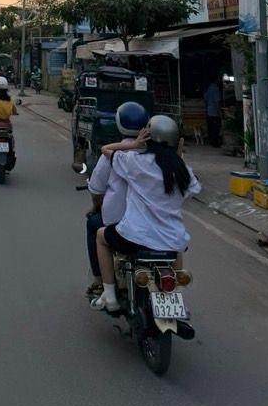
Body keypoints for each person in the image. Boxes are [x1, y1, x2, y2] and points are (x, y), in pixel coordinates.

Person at [91, 115, 201, 312]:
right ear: (178, 142)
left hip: (135, 236)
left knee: (100, 236)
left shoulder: (136, 162)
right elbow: (193, 189)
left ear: (147, 137)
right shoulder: (184, 172)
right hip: (171, 239)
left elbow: (106, 150)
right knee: (175, 249)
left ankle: (109, 295)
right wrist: (178, 156)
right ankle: (175, 297)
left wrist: (134, 144)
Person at [84, 101, 149, 297]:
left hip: (119, 225)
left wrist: (96, 206)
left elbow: (96, 189)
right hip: (152, 225)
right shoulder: (156, 155)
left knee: (94, 226)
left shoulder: (114, 155)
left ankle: (101, 282)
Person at [203, 79, 222, 146]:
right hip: (215, 111)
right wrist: (220, 110)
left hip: (209, 110)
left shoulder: (209, 89)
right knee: (215, 127)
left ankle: (211, 140)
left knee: (211, 126)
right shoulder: (216, 89)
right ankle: (214, 142)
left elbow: (205, 99)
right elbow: (217, 101)